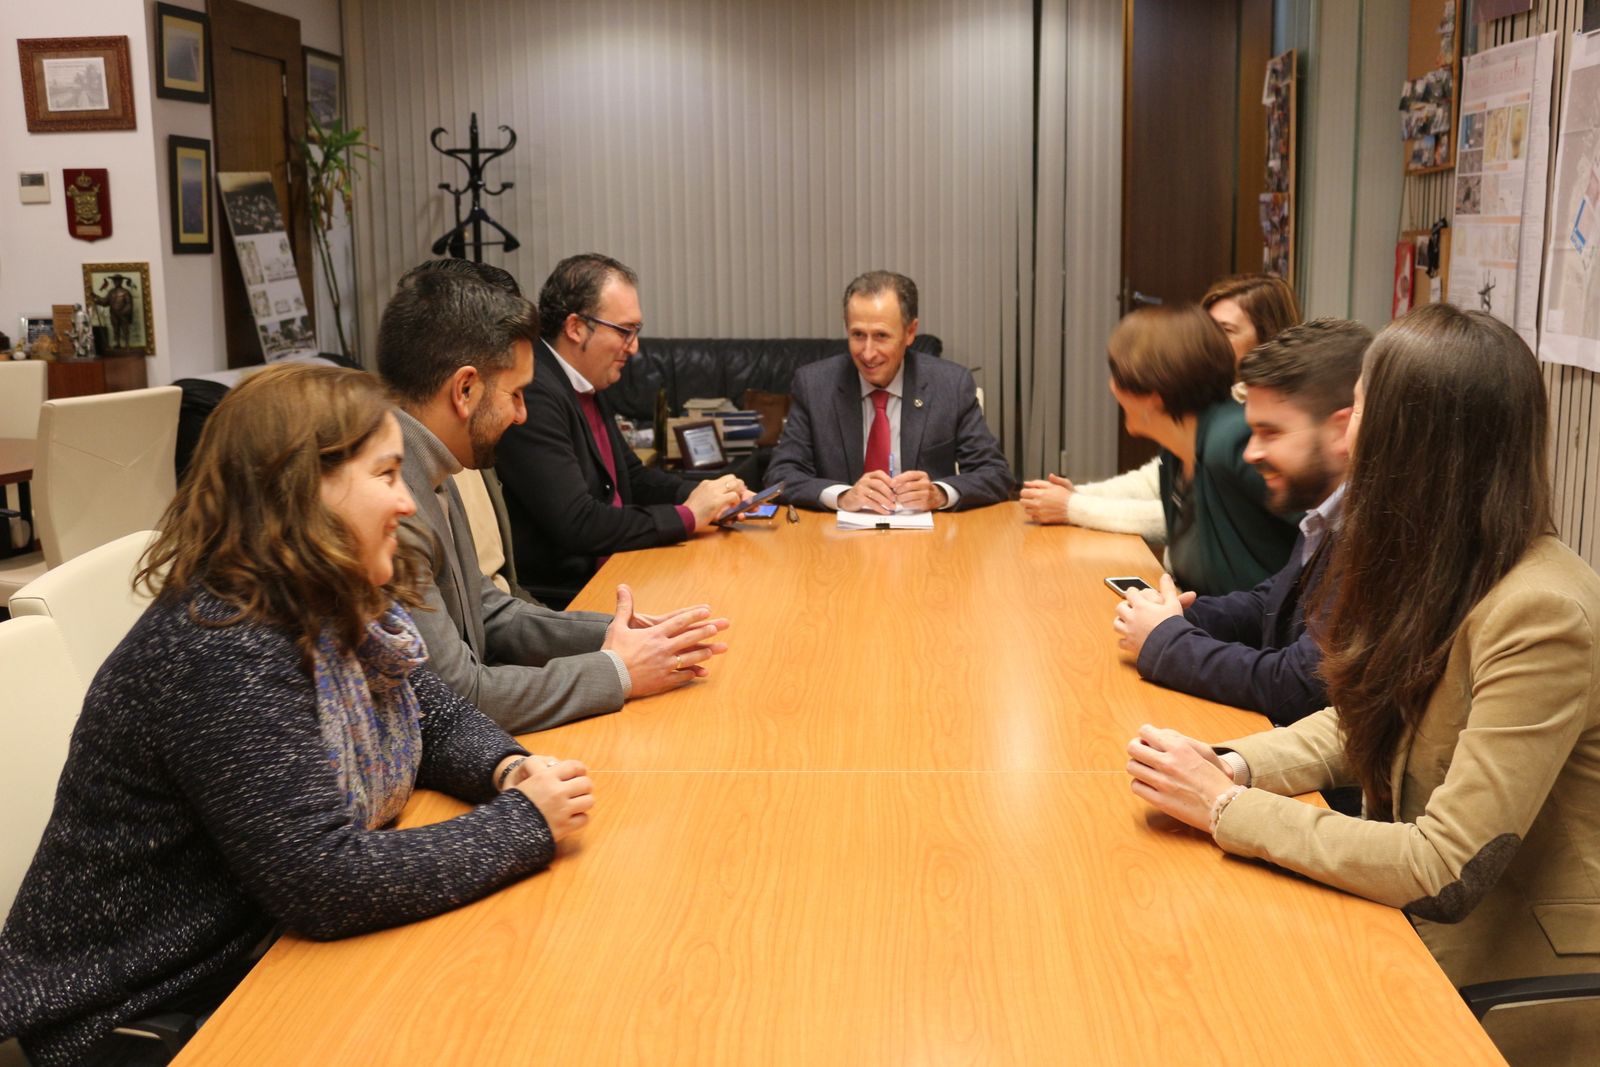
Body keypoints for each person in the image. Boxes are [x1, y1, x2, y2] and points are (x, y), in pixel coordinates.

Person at [0, 364, 596, 1067]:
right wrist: (524, 822)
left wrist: (507, 767)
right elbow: (327, 881)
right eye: (385, 475)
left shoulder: (334, 598)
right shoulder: (221, 645)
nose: (407, 503)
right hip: (138, 1013)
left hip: (251, 957)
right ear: (303, 490)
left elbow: (433, 713)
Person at [1125, 304, 1600, 1067]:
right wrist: (1232, 763)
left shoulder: (1542, 609)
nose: (1346, 440)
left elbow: (1445, 868)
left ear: (1419, 443)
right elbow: (1361, 718)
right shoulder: (1442, 557)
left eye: (1364, 419)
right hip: (1406, 929)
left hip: (1504, 969)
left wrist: (1224, 807)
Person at [376, 268, 729, 734]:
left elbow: (489, 611)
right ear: (465, 390)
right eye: (517, 395)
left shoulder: (436, 462)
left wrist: (619, 635)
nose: (524, 415)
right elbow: (459, 697)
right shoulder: (394, 503)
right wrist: (619, 671)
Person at [1112, 318, 1368, 722]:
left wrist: (1168, 642)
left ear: (1341, 430)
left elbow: (1299, 686)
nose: (1249, 453)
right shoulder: (1330, 510)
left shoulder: (1378, 534)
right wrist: (1183, 615)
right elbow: (1273, 600)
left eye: (1270, 432)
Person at [495, 254, 749, 608]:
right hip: (571, 598)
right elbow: (578, 523)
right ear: (576, 327)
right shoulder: (535, 390)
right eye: (625, 330)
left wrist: (711, 496)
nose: (634, 346)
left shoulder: (583, 381)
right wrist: (689, 515)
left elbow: (631, 477)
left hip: (618, 568)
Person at [1021, 273, 1300, 535]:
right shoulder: (1211, 409)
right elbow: (1160, 483)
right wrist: (1078, 496)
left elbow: (1192, 518)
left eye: (1224, 330)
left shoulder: (1243, 431)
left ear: (1268, 340)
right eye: (1204, 329)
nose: (1206, 341)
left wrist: (1073, 507)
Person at [764, 270, 1012, 512]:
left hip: (928, 542)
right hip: (838, 541)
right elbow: (780, 476)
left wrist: (938, 494)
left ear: (910, 332)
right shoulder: (815, 385)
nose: (868, 353)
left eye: (881, 336)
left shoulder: (950, 385)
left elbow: (995, 475)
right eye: (858, 335)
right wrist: (841, 496)